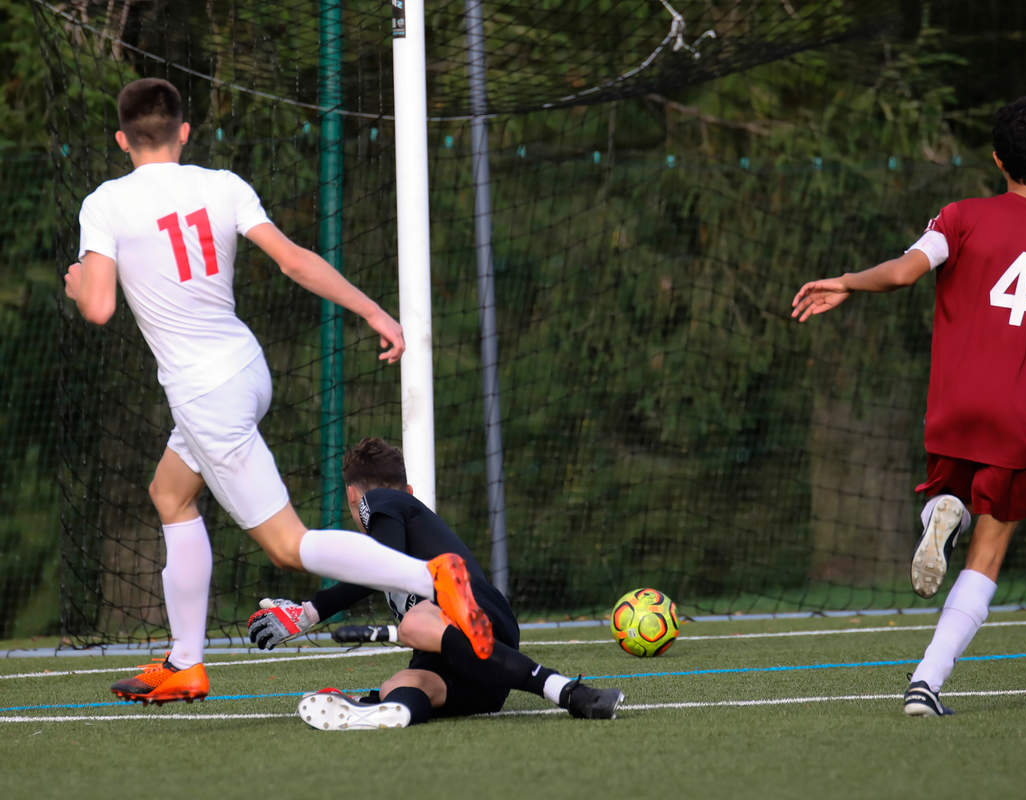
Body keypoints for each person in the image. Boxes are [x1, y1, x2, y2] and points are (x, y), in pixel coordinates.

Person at [65, 77, 493, 705]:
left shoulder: (106, 202)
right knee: (170, 493)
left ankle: (431, 578)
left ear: (122, 138)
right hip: (245, 368)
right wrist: (374, 311)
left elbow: (98, 307)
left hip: (205, 394)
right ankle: (185, 662)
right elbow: (294, 260)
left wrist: (78, 286)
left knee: (288, 546)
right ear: (184, 132)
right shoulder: (223, 185)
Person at [790, 97, 1026, 717]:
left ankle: (944, 509)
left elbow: (905, 273)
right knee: (988, 554)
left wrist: (846, 283)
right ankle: (926, 683)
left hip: (955, 410)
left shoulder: (961, 217)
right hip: (1022, 420)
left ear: (997, 161)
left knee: (954, 497)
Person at [246, 436, 625, 728]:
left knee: (415, 624)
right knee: (403, 683)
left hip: (473, 612)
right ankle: (374, 711)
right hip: (485, 678)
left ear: (352, 495)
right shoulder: (405, 507)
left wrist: (309, 611)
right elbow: (382, 569)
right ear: (409, 491)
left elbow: (379, 567)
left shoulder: (378, 500)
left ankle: (569, 692)